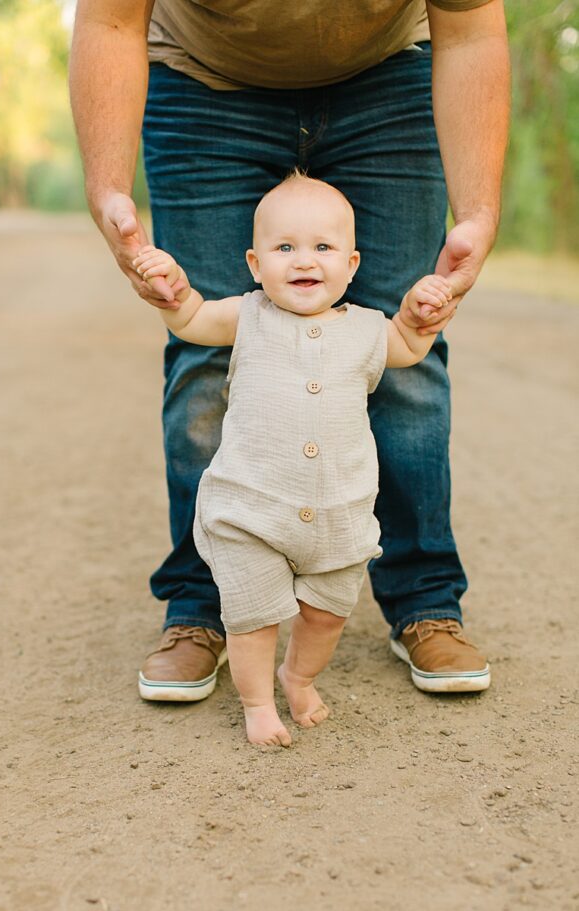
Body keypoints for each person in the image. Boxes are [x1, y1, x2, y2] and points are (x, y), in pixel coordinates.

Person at [69, 0, 510, 699]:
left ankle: (425, 600)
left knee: (404, 367)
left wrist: (479, 211)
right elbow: (110, 21)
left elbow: (472, 22)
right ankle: (204, 604)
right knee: (209, 363)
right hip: (201, 83)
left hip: (389, 78)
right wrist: (108, 188)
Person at [132, 172, 456, 746]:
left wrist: (417, 317)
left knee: (327, 615)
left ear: (353, 264)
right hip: (252, 512)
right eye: (285, 248)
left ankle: (298, 678)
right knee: (253, 617)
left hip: (339, 514)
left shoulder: (365, 329)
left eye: (323, 248)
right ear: (255, 264)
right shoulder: (247, 315)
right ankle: (258, 703)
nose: (304, 261)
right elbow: (189, 320)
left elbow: (407, 348)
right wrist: (175, 292)